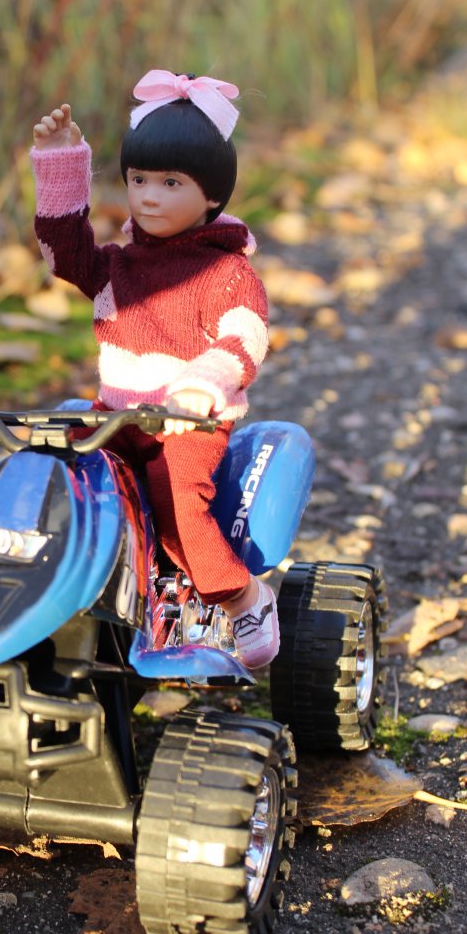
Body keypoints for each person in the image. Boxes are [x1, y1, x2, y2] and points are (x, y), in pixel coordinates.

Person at [30, 69, 278, 668]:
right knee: (53, 476)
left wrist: (203, 386)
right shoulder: (118, 264)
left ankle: (239, 593)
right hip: (118, 417)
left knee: (178, 511)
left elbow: (244, 338)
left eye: (171, 182)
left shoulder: (225, 273)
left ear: (212, 195)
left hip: (185, 425)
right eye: (138, 179)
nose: (148, 196)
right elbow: (63, 252)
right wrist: (61, 164)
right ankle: (51, 594)